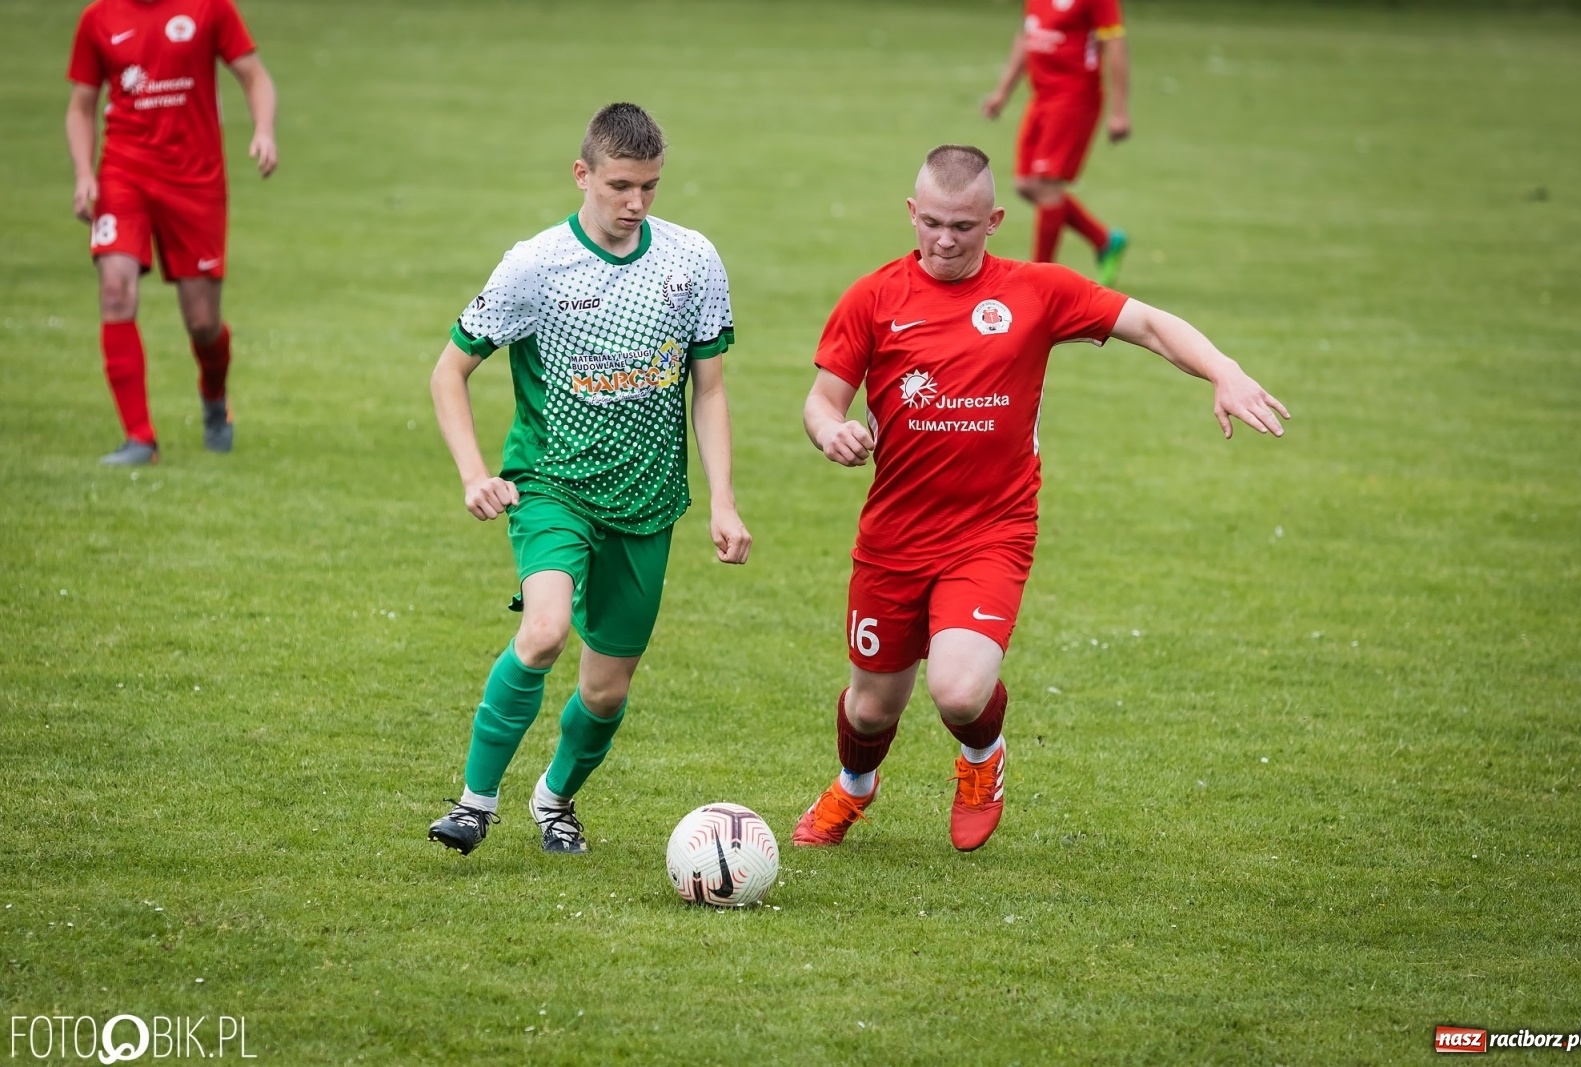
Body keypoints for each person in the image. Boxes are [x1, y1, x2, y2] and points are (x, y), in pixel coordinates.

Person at [794, 145, 1286, 852]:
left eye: (963, 226)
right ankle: (855, 785)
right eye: (931, 222)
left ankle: (980, 759)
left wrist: (1222, 370)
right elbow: (821, 398)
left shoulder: (1035, 291)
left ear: (994, 220)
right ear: (911, 212)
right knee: (870, 710)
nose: (943, 239)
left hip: (991, 531)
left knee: (958, 690)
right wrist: (830, 431)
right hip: (894, 534)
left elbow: (1146, 323)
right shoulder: (873, 297)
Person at [427, 103, 752, 857]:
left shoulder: (692, 260)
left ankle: (554, 800)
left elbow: (709, 389)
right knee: (543, 632)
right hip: (552, 485)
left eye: (650, 186)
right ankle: (475, 803)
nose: (635, 203)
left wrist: (724, 502)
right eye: (619, 185)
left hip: (647, 501)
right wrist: (475, 473)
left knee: (606, 690)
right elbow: (450, 372)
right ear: (583, 175)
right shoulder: (535, 265)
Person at [66, 0, 278, 465]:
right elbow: (81, 106)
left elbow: (255, 76)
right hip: (124, 174)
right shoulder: (97, 18)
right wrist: (85, 173)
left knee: (202, 323)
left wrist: (263, 130)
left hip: (195, 181)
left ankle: (214, 398)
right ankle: (140, 438)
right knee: (115, 290)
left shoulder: (209, 8)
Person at [981, 0, 1130, 285]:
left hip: (1074, 98)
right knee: (1025, 184)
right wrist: (1002, 93)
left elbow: (1115, 44)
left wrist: (1119, 110)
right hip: (1041, 98)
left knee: (1046, 186)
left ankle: (1038, 278)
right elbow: (1027, 36)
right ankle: (1104, 240)